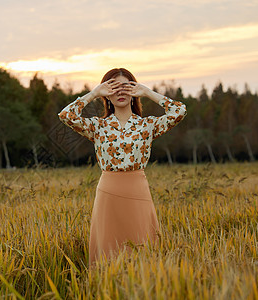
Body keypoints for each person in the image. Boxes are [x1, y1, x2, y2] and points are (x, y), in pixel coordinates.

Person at [57, 68, 187, 268]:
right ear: (106, 93)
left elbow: (179, 111)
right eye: (113, 87)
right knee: (107, 252)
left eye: (125, 87)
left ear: (134, 91)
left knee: (143, 248)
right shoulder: (98, 126)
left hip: (138, 191)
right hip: (108, 193)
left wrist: (148, 92)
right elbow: (66, 115)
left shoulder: (146, 126)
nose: (120, 92)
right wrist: (93, 94)